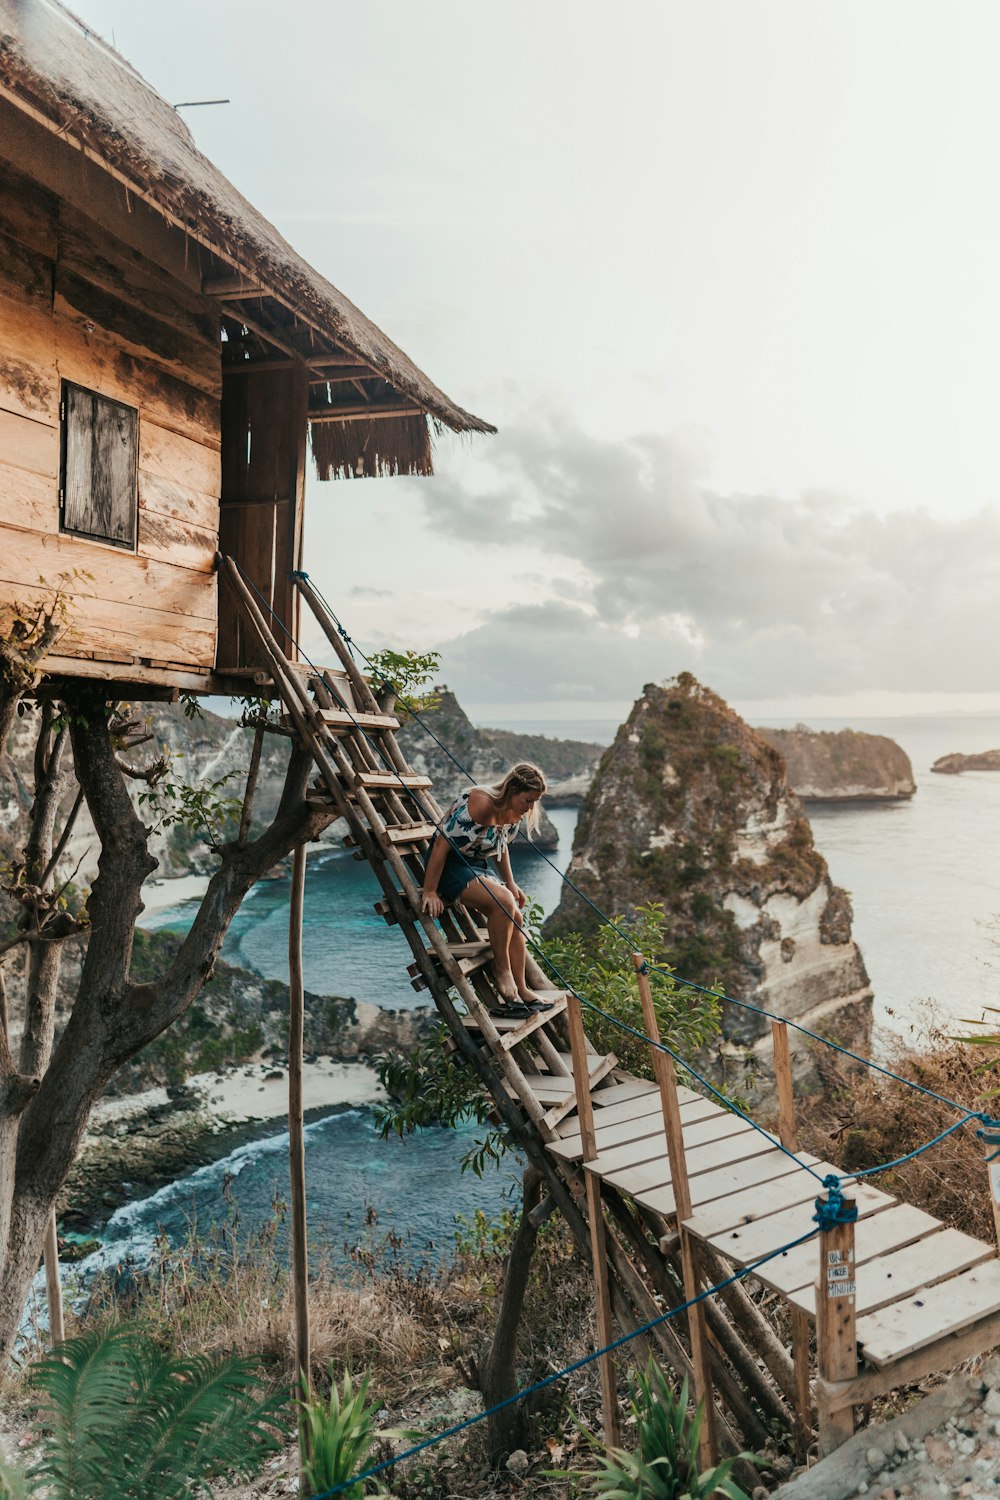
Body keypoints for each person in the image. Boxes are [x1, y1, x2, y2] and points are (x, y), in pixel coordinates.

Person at [420, 762, 550, 1016]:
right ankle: (502, 971)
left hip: (476, 864)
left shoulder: (514, 813)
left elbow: (501, 848)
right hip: (450, 865)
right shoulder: (480, 803)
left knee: (516, 915)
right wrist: (430, 891)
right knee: (503, 903)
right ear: (513, 789)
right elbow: (441, 846)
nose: (530, 807)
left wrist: (511, 883)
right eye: (528, 799)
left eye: (534, 801)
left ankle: (522, 988)